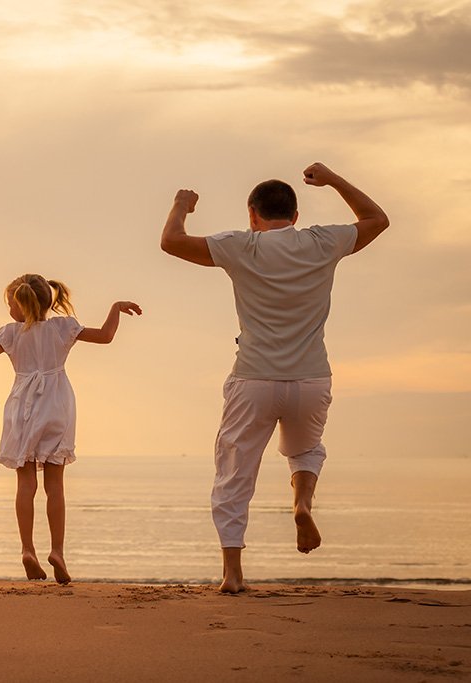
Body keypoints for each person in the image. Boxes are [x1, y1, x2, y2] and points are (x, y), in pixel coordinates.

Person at [160, 162, 389, 593]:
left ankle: (232, 572)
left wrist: (181, 205)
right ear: (296, 216)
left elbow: (171, 241)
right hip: (310, 379)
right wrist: (335, 179)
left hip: (254, 379)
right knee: (306, 451)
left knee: (235, 472)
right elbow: (377, 220)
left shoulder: (241, 246)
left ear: (252, 214)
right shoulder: (323, 241)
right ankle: (301, 504)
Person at [0, 274, 141, 584]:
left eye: (9, 303)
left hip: (22, 407)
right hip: (57, 405)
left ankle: (27, 549)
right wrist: (115, 307)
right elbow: (105, 336)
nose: (8, 309)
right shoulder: (63, 327)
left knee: (25, 484)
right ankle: (58, 551)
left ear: (19, 305)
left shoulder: (9, 334)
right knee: (55, 485)